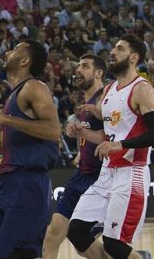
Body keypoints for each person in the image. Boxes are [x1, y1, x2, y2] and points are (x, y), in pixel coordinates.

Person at [66, 34, 154, 259]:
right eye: (113, 47)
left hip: (131, 173)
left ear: (133, 57)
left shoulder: (142, 88)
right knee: (76, 231)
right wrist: (82, 132)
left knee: (114, 244)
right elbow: (108, 134)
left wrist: (119, 145)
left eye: (119, 48)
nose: (112, 52)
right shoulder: (110, 89)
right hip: (106, 173)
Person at [0, 40, 60, 259]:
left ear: (25, 60)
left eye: (15, 49)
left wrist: (4, 118)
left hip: (29, 186)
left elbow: (54, 131)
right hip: (6, 185)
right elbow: (26, 140)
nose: (7, 52)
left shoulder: (34, 87)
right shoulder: (14, 93)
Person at [42, 55, 105, 259]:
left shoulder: (107, 98)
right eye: (78, 65)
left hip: (101, 179)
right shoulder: (87, 102)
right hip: (81, 175)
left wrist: (84, 134)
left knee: (82, 241)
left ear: (98, 73)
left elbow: (115, 135)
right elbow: (93, 133)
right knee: (53, 234)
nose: (78, 70)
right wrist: (81, 149)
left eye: (85, 66)